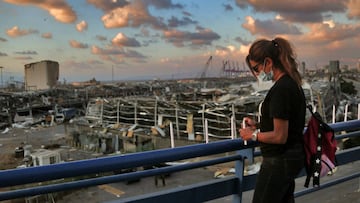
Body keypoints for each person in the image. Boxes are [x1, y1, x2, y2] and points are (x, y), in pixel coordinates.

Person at [239, 37, 306, 203]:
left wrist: (252, 135)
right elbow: (286, 122)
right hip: (290, 159)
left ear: (268, 62)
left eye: (256, 68)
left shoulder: (281, 90)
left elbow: (280, 136)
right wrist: (260, 125)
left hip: (278, 161)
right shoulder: (291, 84)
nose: (256, 74)